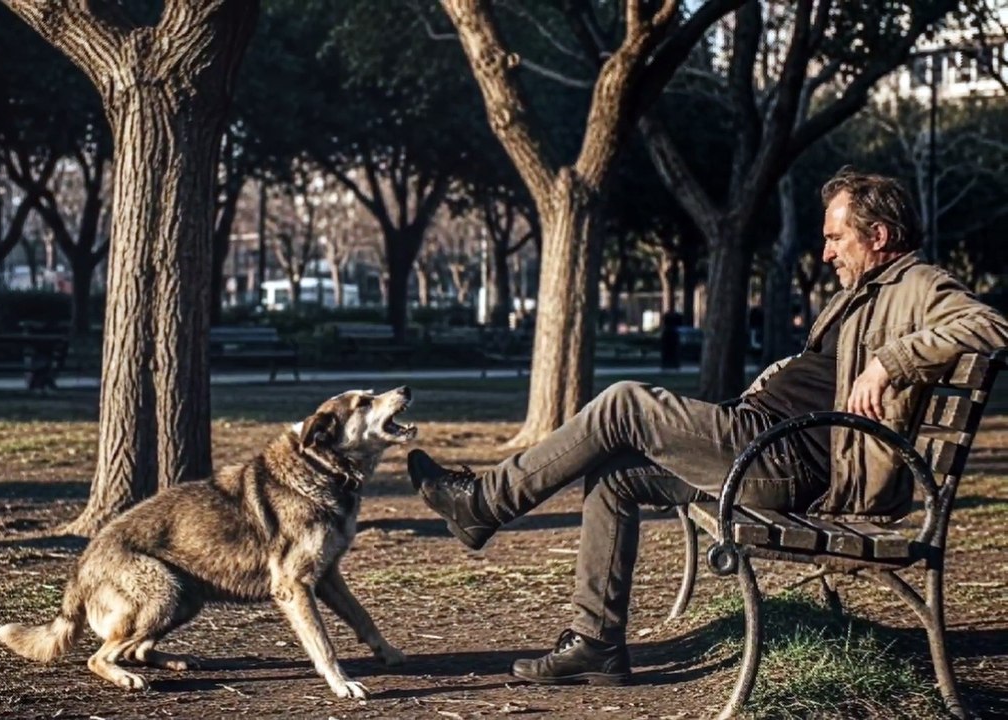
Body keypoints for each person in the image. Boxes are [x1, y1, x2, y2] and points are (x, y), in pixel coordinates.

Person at [406, 168, 1008, 686]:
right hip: (760, 439)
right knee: (616, 476)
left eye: (835, 237)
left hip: (782, 462)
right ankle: (596, 644)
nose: (826, 253)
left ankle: (485, 502)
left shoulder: (918, 284)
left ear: (878, 236)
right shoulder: (860, 293)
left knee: (625, 403)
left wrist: (890, 362)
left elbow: (992, 327)